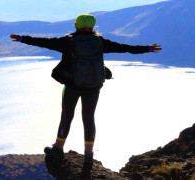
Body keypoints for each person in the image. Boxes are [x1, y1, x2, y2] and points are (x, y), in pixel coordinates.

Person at [10, 14, 162, 178]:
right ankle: (89, 156)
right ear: (93, 26)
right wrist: (147, 48)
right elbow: (124, 47)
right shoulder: (99, 42)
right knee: (89, 117)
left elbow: (44, 42)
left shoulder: (68, 41)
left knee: (67, 115)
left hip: (72, 85)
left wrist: (21, 38)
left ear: (76, 25)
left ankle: (58, 149)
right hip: (93, 86)